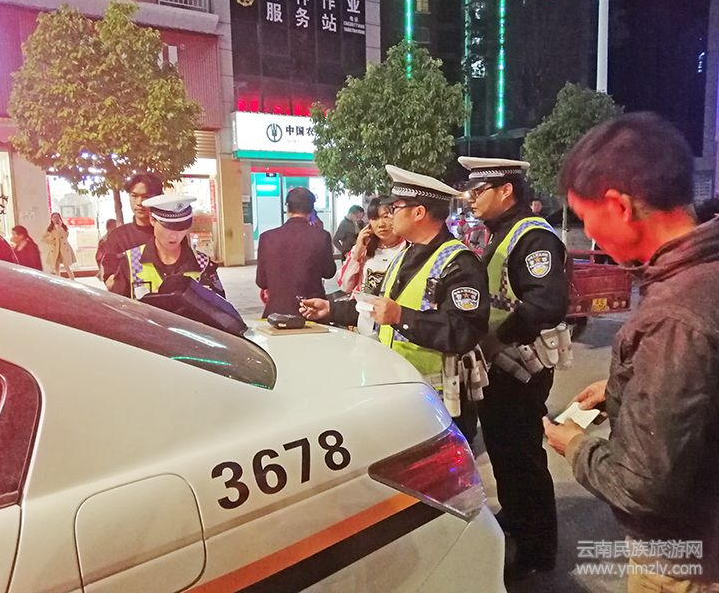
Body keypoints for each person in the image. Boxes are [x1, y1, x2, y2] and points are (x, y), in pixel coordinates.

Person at [544, 113, 719, 591]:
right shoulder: (701, 272)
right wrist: (629, 385)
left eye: (586, 217)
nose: (590, 232)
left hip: (685, 560)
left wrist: (575, 445)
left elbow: (641, 484)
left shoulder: (675, 316)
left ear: (619, 206)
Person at [300, 166, 489, 441]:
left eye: (396, 207)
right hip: (405, 393)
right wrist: (331, 309)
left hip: (441, 404)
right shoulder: (405, 255)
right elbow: (376, 305)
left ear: (419, 212)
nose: (390, 215)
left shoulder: (459, 263)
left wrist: (402, 316)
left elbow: (465, 331)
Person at [457, 155, 568, 578]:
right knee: (504, 451)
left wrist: (498, 337)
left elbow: (547, 303)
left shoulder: (533, 236)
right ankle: (517, 517)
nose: (470, 199)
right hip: (499, 366)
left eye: (478, 191)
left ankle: (538, 551)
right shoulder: (500, 233)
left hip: (521, 366)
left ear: (506, 190)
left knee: (523, 456)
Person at [111, 194, 224, 299]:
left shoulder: (203, 264)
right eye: (168, 227)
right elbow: (117, 309)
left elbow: (221, 310)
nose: (174, 235)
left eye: (181, 228)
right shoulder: (130, 262)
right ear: (152, 220)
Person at [256, 187, 336, 318]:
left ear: (287, 208)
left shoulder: (267, 238)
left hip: (276, 314)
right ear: (311, 209)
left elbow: (261, 281)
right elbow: (329, 272)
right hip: (311, 311)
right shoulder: (322, 236)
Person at [100, 174, 161, 287]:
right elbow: (109, 280)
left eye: (146, 196)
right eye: (134, 196)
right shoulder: (118, 236)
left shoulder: (168, 234)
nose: (139, 202)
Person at [338, 197, 406, 295]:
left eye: (386, 217)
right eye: (374, 218)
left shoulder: (408, 248)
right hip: (363, 304)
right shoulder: (363, 248)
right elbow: (345, 287)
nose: (381, 224)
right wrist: (357, 254)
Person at [42, 212, 76, 278]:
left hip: (64, 249)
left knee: (66, 266)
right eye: (54, 217)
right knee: (56, 267)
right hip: (55, 249)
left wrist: (60, 227)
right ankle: (59, 280)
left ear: (60, 218)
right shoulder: (50, 228)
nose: (55, 218)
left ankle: (72, 280)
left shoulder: (63, 227)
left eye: (57, 217)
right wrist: (52, 242)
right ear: (51, 219)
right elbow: (43, 238)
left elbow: (66, 236)